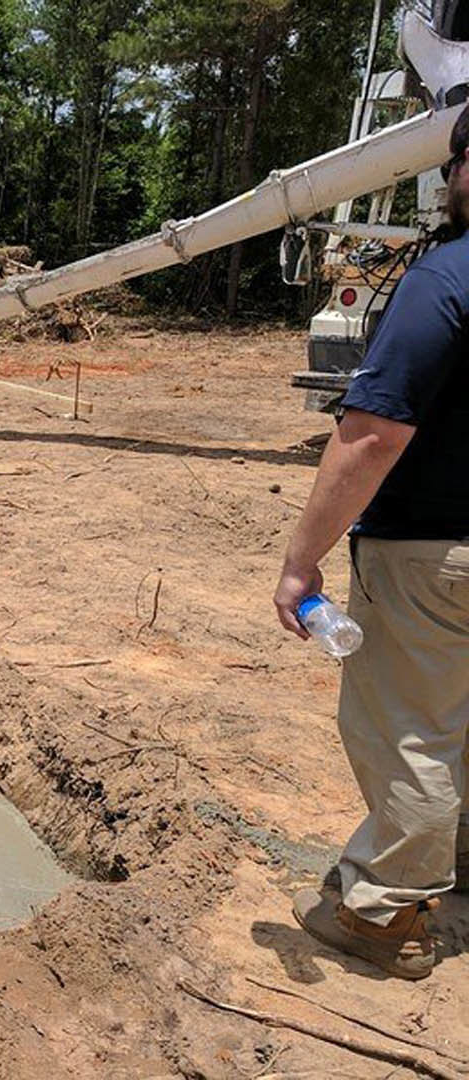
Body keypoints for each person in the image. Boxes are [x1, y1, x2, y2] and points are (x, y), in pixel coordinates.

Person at [274, 104, 469, 981]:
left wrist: (301, 558)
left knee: (410, 729)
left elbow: (373, 433)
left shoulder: (445, 281)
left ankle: (386, 915)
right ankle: (449, 877)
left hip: (434, 553)